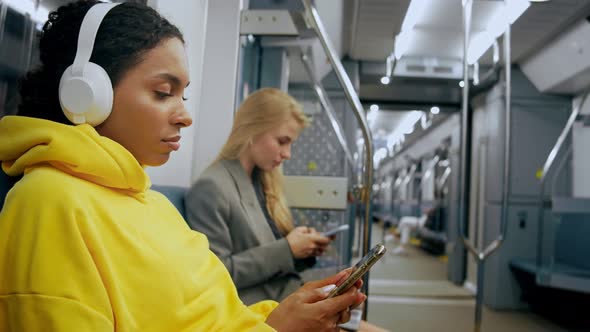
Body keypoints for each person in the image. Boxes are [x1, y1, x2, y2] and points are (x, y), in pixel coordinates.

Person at [0, 1, 365, 331]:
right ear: (88, 94)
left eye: (183, 95)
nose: (185, 116)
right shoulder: (48, 203)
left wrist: (281, 316)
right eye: (163, 93)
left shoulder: (151, 203)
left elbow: (214, 317)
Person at [185, 88, 389, 332]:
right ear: (252, 130)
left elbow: (269, 259)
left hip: (285, 296)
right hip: (257, 310)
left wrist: (302, 249)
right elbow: (217, 274)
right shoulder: (212, 187)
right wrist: (288, 249)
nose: (287, 154)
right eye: (282, 141)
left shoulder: (261, 183)